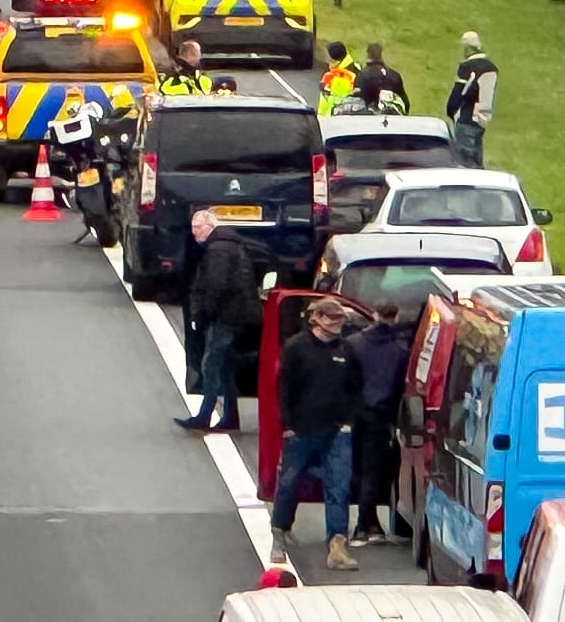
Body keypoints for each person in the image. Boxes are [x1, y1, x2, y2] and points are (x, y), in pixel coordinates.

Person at [270, 297, 364, 572]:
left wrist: (348, 420)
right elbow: (284, 388)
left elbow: (356, 387)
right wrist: (287, 426)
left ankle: (337, 545)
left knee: (339, 486)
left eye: (341, 320)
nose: (338, 324)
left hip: (337, 431)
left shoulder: (347, 351)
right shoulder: (296, 347)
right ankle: (280, 532)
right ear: (318, 318)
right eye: (333, 318)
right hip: (301, 430)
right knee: (289, 482)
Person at [175, 209, 257, 432]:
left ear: (210, 226)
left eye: (197, 228)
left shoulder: (218, 249)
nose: (194, 233)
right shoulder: (229, 245)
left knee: (211, 365)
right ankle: (231, 416)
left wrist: (204, 314)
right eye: (192, 228)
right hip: (236, 314)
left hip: (225, 316)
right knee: (226, 366)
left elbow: (216, 285)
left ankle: (204, 416)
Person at [347, 301, 409, 547]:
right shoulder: (401, 349)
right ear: (396, 315)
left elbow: (348, 383)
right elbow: (399, 388)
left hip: (355, 415)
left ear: (373, 313)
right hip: (383, 416)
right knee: (376, 471)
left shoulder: (353, 344)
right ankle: (366, 523)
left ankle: (367, 523)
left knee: (358, 470)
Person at [445, 31, 498, 164]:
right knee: (477, 158)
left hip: (466, 117)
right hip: (482, 119)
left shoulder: (467, 67)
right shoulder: (491, 68)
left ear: (468, 48)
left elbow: (458, 93)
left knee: (464, 163)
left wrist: (451, 111)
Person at [352, 42, 409, 114]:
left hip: (367, 116)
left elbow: (357, 99)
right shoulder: (394, 75)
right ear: (381, 54)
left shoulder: (361, 76)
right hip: (390, 116)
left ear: (367, 55)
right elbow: (405, 103)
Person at [316, 41, 358, 115]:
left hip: (334, 118)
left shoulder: (344, 76)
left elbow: (338, 99)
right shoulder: (333, 70)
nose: (326, 59)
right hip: (327, 115)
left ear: (336, 60)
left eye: (328, 57)